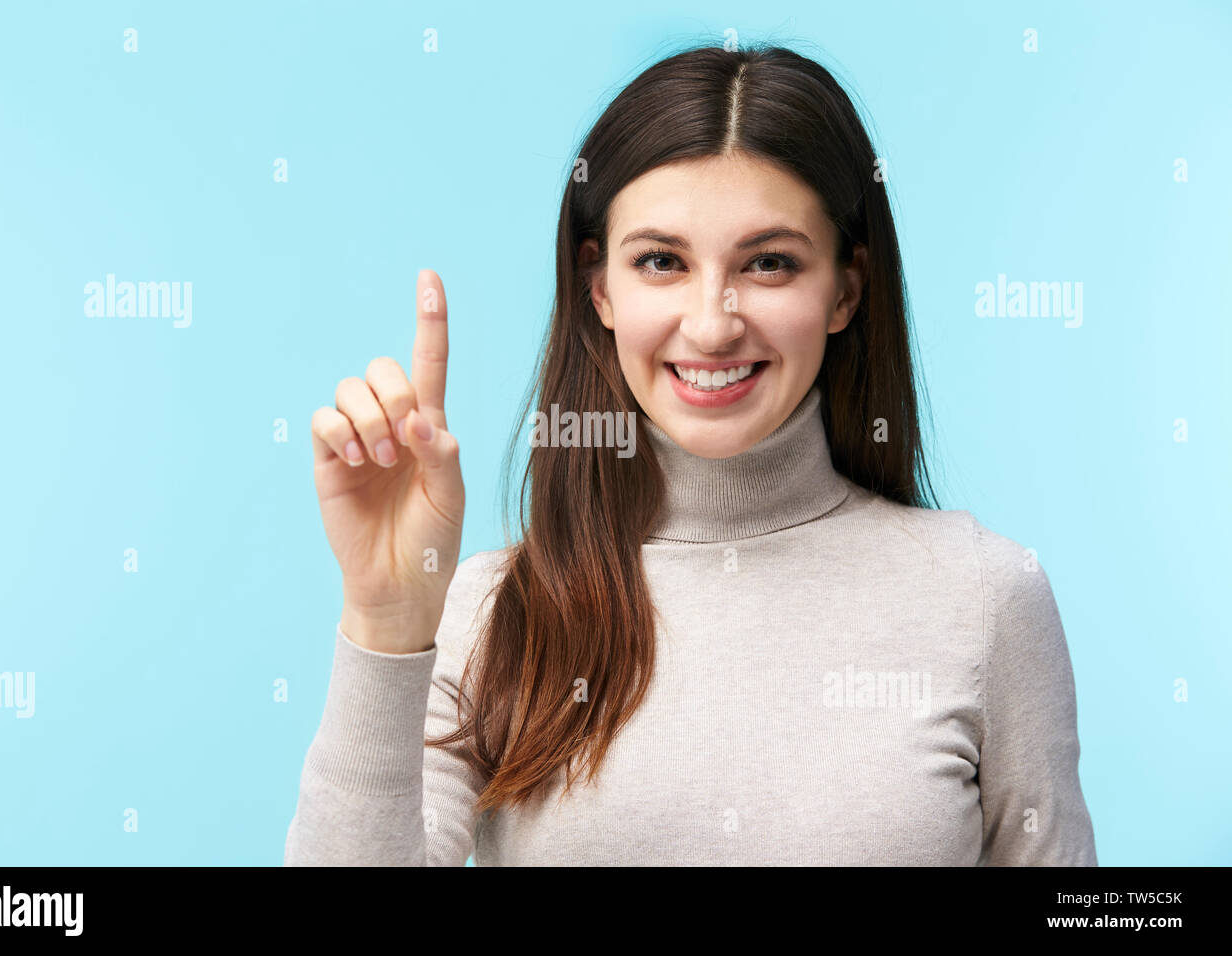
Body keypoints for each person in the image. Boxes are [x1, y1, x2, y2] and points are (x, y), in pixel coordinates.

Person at [284, 44, 1097, 866]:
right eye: (661, 262)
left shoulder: (985, 599)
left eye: (769, 262)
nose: (713, 324)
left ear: (846, 289)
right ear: (600, 288)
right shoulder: (492, 615)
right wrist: (384, 626)